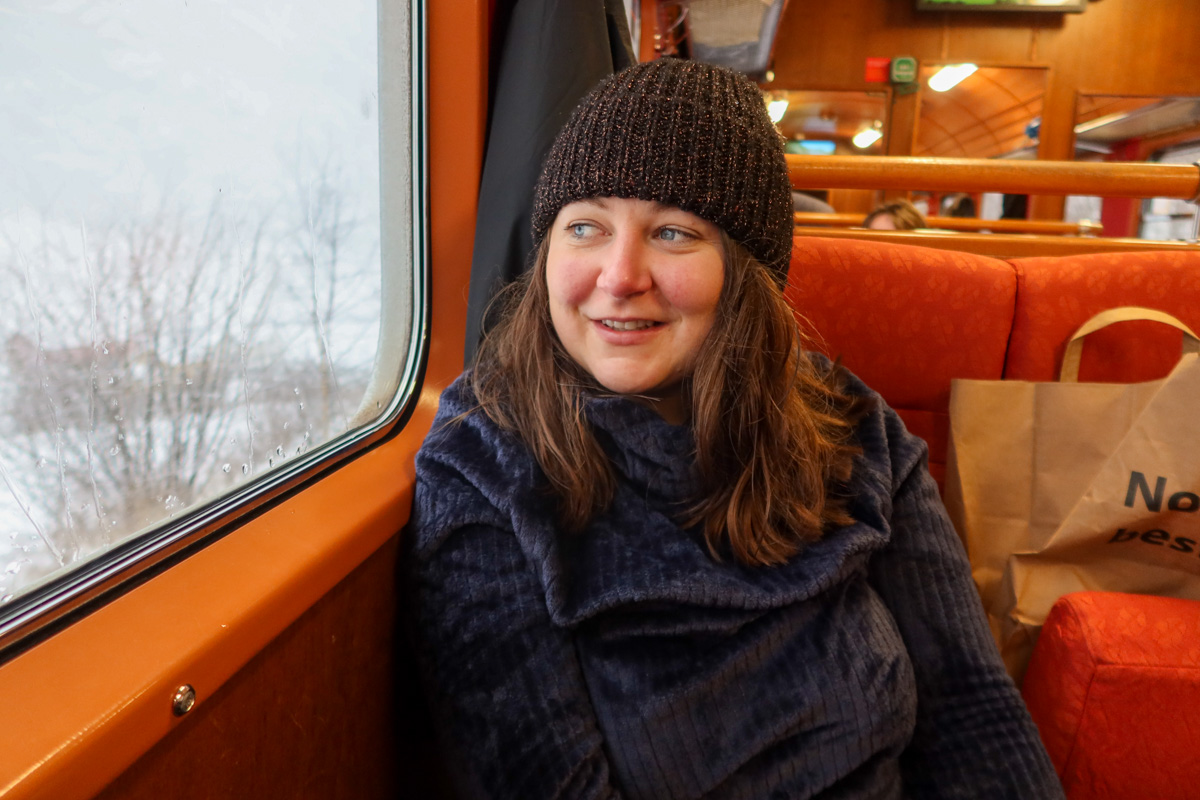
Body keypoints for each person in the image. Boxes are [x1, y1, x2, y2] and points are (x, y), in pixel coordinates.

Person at [407, 58, 1063, 800]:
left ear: (745, 272)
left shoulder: (852, 428)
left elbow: (971, 709)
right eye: (584, 226)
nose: (619, 275)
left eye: (674, 233)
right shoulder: (484, 459)